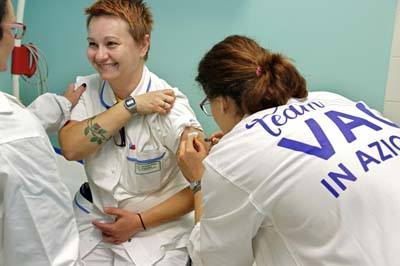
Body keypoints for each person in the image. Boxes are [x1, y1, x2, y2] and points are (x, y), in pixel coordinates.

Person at [177, 35, 400, 266]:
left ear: (222, 102)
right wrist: (242, 143)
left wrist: (200, 182)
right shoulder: (331, 99)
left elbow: (212, 260)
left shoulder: (234, 155)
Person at [59, 0, 203, 265]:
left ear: (143, 45)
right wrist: (131, 106)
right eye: (93, 44)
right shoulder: (86, 90)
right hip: (96, 221)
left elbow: (201, 182)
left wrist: (139, 221)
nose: (100, 55)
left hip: (158, 230)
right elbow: (70, 148)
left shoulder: (171, 105)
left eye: (111, 44)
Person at [0, 0, 86, 265]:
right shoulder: (18, 138)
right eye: (12, 29)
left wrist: (62, 104)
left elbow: (22, 124)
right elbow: (47, 254)